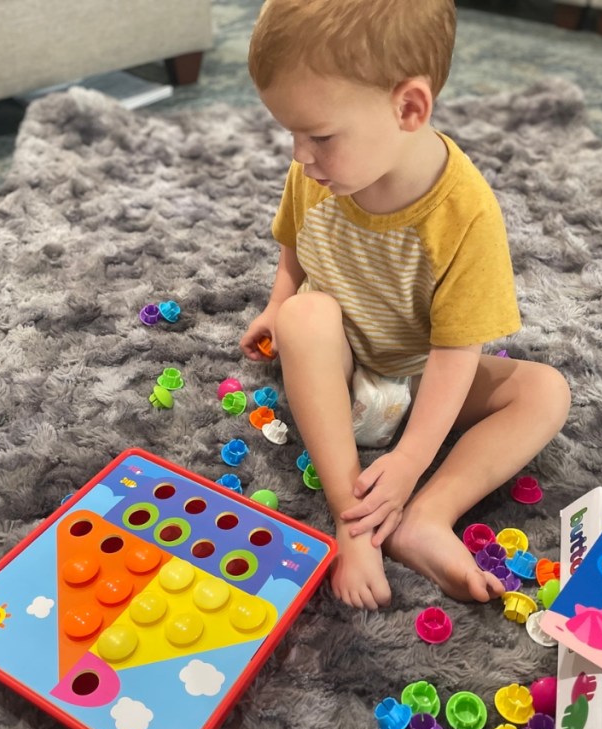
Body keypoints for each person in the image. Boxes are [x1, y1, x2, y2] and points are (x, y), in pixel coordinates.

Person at [240, 0, 571, 610]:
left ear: (410, 107)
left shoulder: (464, 213)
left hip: (422, 380)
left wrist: (412, 459)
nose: (298, 155)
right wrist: (277, 301)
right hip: (335, 369)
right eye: (290, 133)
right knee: (304, 316)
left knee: (545, 391)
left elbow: (455, 350)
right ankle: (354, 519)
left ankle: (425, 517)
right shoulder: (317, 175)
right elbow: (293, 242)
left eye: (317, 135)